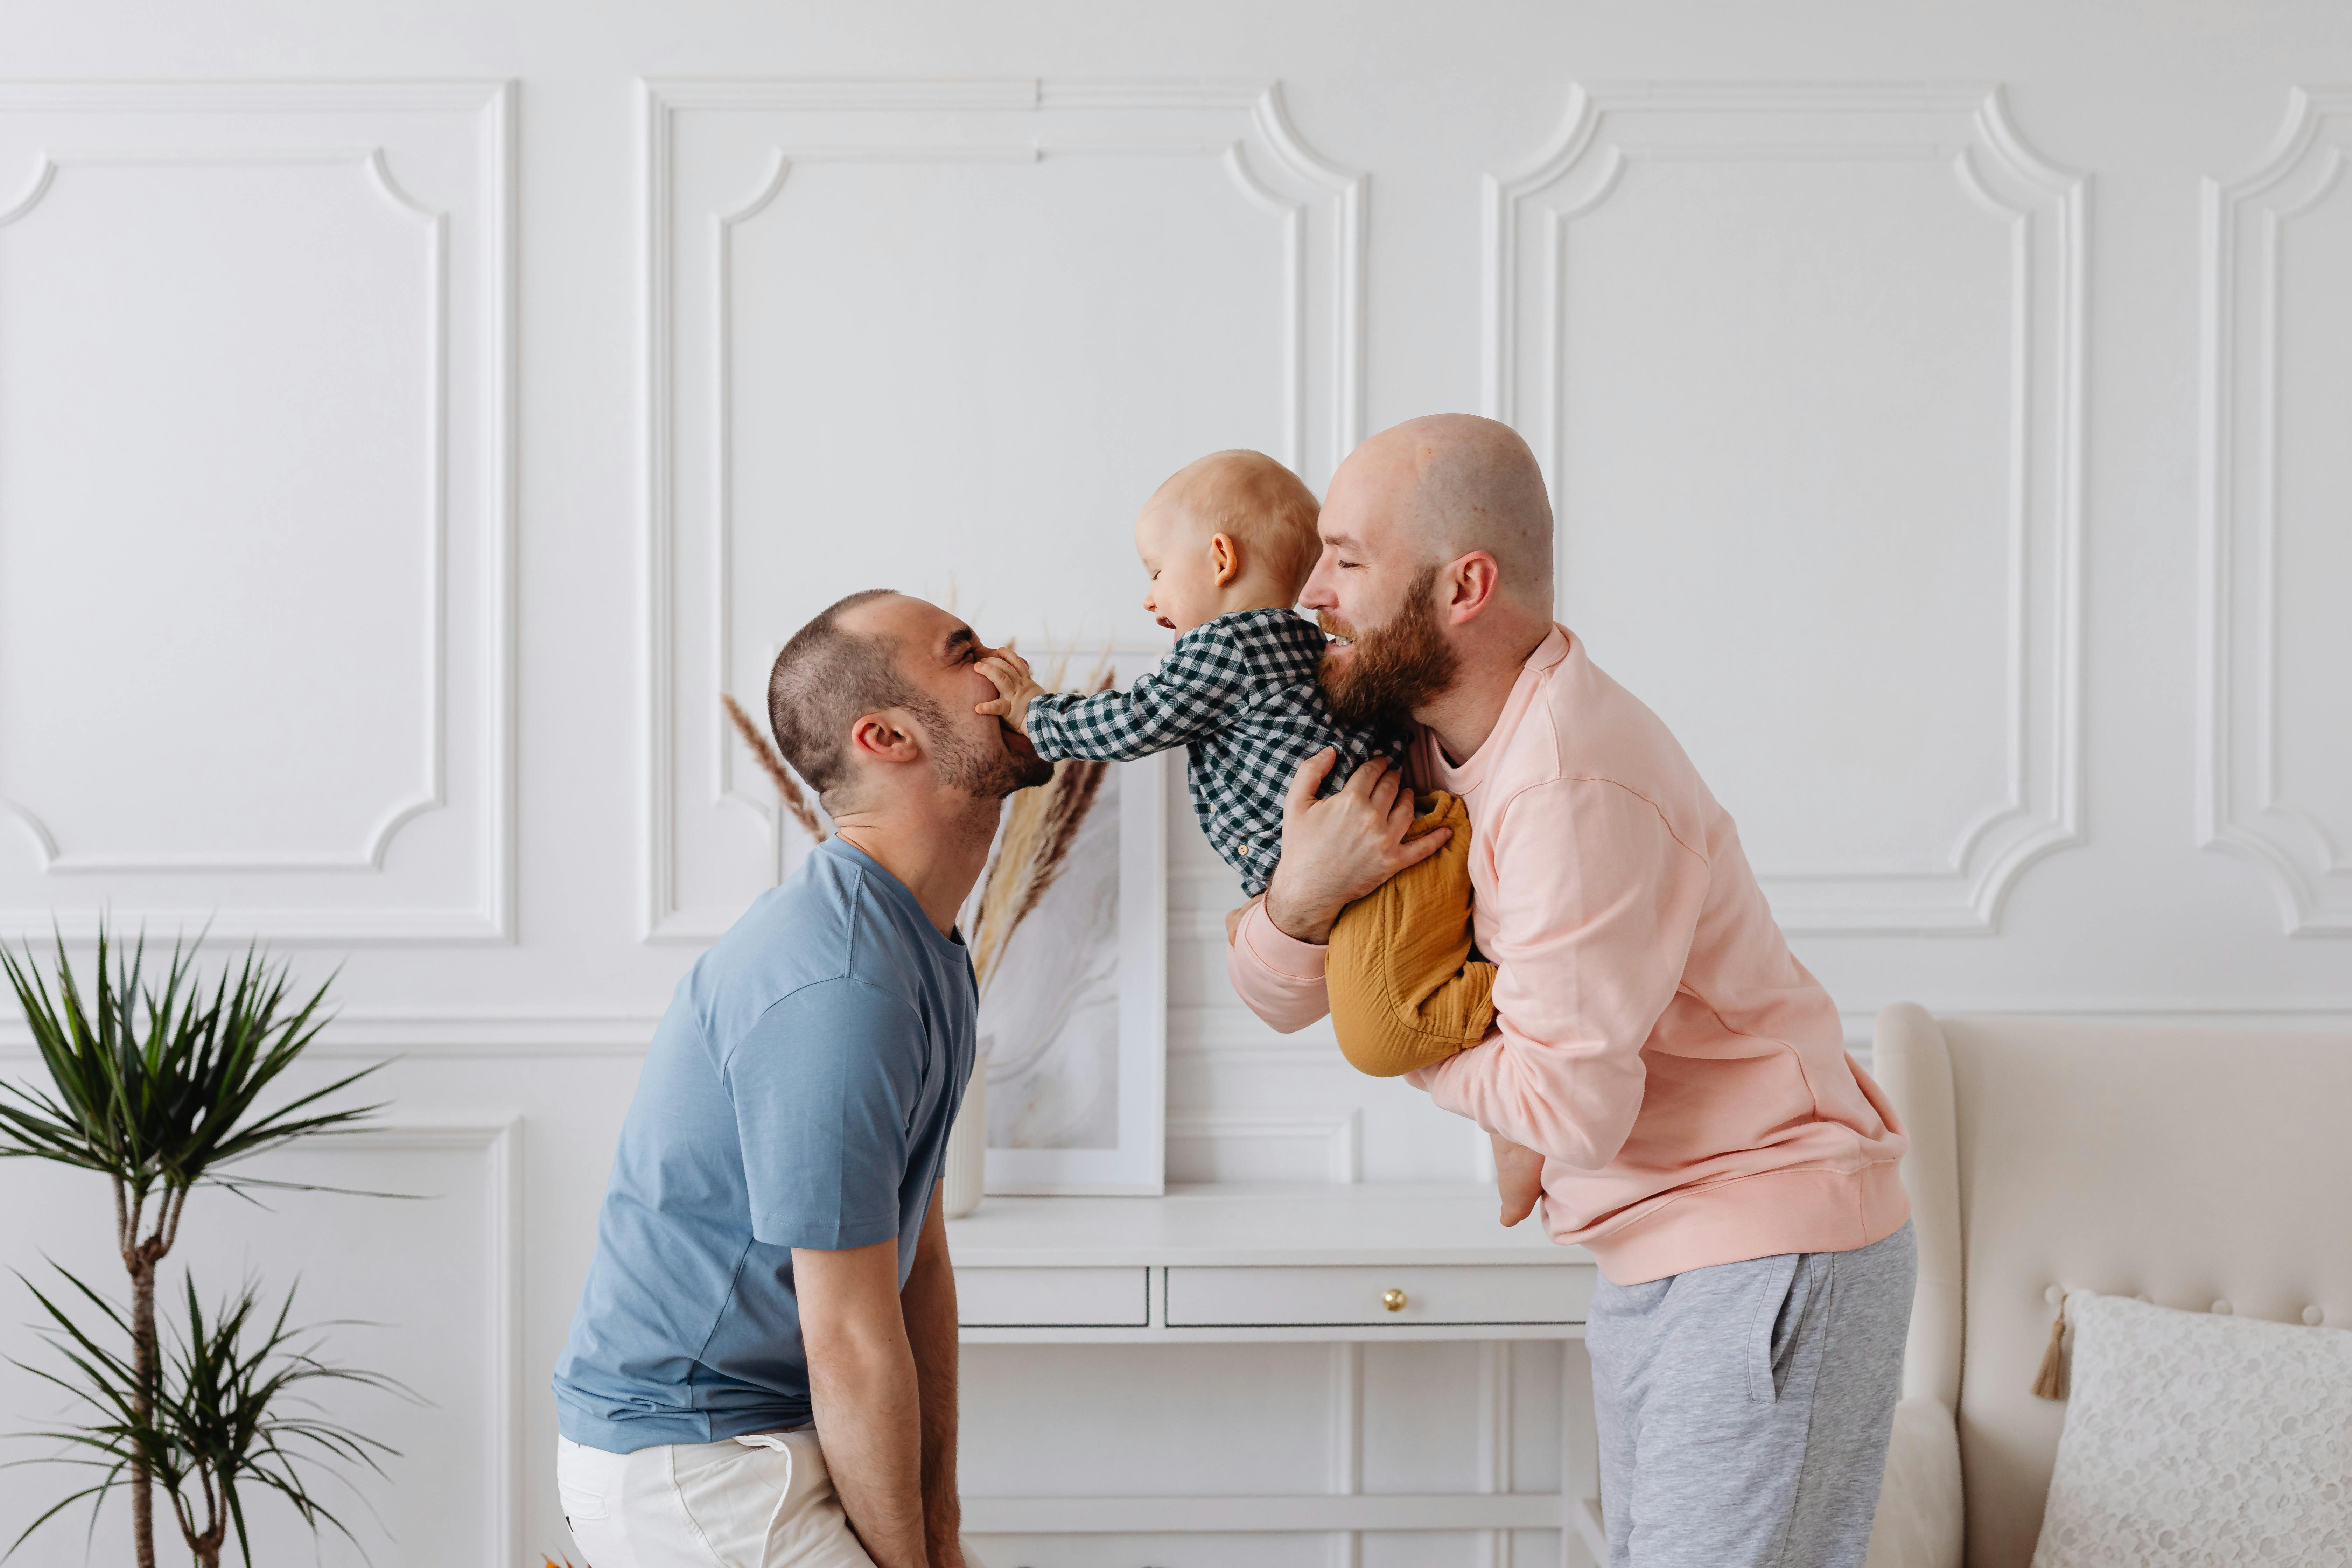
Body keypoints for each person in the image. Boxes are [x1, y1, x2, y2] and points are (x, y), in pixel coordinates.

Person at [1224, 415, 1916, 1568]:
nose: (1312, 591)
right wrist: (1303, 899)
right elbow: (1276, 998)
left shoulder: (1568, 781)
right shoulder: (1410, 748)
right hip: (1653, 1243)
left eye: (1346, 558)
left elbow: (1568, 1109)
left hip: (1766, 1240)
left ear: (1464, 587)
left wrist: (1397, 1030)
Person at [552, 590, 1043, 1568]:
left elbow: (920, 1266)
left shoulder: (923, 944)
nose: (1009, 662)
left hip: (784, 1425)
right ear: (887, 736)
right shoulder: (842, 982)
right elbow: (852, 1339)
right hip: (692, 1460)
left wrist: (940, 1534)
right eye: (967, 651)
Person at [975, 448, 1503, 1085]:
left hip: (1385, 874)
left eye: (1156, 572)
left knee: (1386, 1038)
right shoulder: (1317, 645)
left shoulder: (1222, 649)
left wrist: (1036, 712)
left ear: (1221, 559)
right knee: (1380, 1001)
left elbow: (1134, 721)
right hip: (1401, 852)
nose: (1148, 599)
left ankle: (1512, 1005)